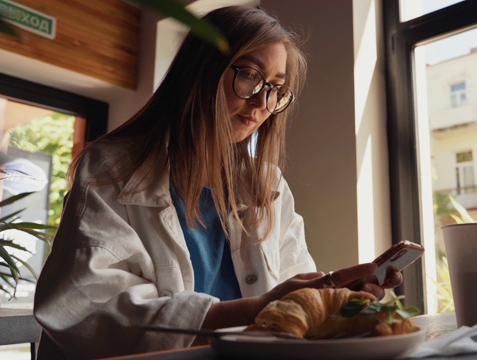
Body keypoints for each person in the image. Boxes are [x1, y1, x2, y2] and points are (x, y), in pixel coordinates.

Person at [33, 5, 402, 358]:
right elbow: (84, 307)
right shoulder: (109, 169)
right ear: (200, 72)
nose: (262, 102)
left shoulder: (269, 187)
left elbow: (293, 302)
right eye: (249, 76)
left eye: (275, 88)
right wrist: (257, 308)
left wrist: (335, 298)